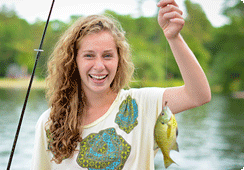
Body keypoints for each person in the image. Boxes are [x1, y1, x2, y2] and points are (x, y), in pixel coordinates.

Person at [31, 0, 211, 169]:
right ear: (74, 61)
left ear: (119, 60)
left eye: (108, 55)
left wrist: (174, 37)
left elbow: (199, 95)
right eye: (89, 55)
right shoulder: (49, 123)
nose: (99, 66)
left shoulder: (141, 104)